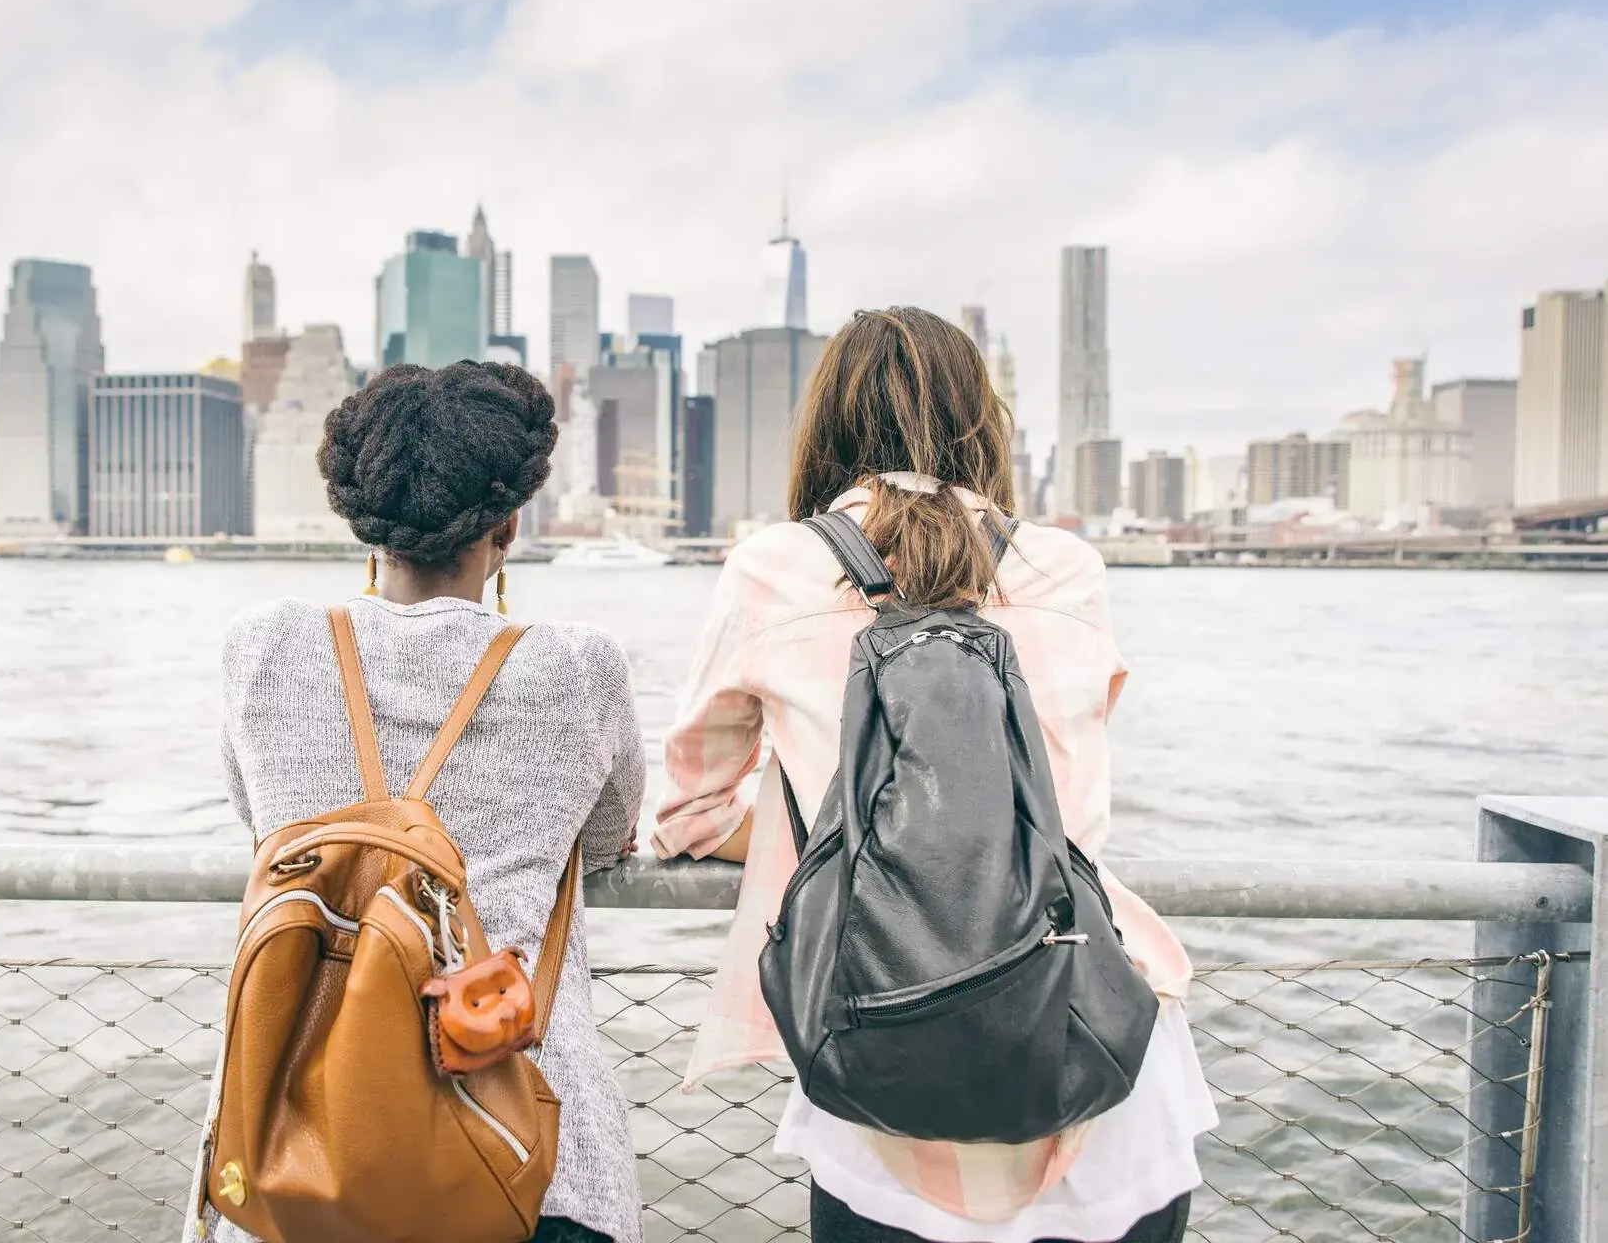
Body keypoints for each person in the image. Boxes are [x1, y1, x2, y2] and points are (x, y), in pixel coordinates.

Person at [653, 308, 1215, 1243]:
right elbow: (1061, 803)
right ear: (980, 421)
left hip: (884, 1065)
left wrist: (849, 828)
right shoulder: (1066, 565)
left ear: (826, 426)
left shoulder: (775, 568)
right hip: (1102, 1053)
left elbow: (690, 812)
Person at [192, 360, 644, 1243]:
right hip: (526, 1156)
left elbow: (263, 823)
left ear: (367, 523)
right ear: (508, 522)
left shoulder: (262, 646)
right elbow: (608, 838)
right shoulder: (579, 666)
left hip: (299, 1154)